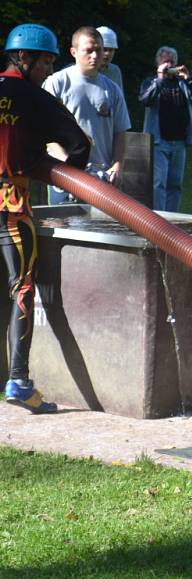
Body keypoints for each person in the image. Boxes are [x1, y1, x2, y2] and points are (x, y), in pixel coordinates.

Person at [0, 23, 90, 413]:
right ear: (24, 58)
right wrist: (57, 170)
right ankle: (18, 381)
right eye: (45, 63)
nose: (47, 72)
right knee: (22, 286)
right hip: (11, 206)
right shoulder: (35, 99)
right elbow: (79, 144)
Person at [43, 26, 130, 204]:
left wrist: (117, 165)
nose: (95, 56)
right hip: (64, 175)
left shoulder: (112, 89)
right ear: (73, 52)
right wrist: (67, 164)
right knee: (63, 230)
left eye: (99, 50)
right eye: (88, 51)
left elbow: (121, 132)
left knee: (100, 231)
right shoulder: (57, 83)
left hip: (102, 179)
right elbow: (45, 131)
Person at [139, 46, 192, 212]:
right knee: (158, 183)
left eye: (172, 62)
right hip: (158, 141)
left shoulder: (184, 83)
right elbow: (145, 100)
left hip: (180, 141)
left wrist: (190, 79)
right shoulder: (151, 82)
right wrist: (160, 79)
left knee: (175, 184)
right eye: (166, 61)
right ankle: (159, 220)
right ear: (158, 62)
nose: (169, 65)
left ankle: (173, 220)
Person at [96, 26, 123, 91]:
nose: (107, 53)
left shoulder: (114, 71)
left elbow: (119, 99)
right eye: (104, 49)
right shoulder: (74, 72)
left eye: (111, 50)